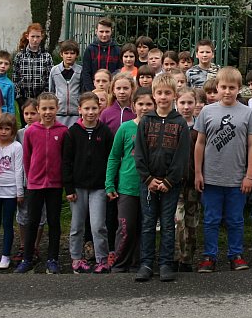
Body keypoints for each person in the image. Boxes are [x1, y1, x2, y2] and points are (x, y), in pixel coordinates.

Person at [194, 67, 252, 272]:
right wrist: (198, 172)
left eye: (232, 88)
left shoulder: (247, 112)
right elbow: (200, 143)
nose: (227, 91)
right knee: (211, 220)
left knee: (235, 219)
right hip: (211, 177)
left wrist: (250, 175)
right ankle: (209, 256)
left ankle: (236, 255)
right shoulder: (207, 112)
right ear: (217, 87)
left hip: (237, 178)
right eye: (223, 87)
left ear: (239, 88)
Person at [135, 74, 192, 282]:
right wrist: (148, 179)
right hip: (148, 183)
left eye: (167, 93)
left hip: (171, 184)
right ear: (153, 95)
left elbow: (182, 157)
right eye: (159, 93)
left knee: (168, 224)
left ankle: (166, 263)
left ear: (174, 95)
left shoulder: (180, 123)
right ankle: (146, 263)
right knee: (148, 223)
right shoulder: (146, 121)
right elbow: (139, 153)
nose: (163, 97)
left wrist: (169, 181)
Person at [15, 92, 67, 274]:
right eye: (44, 108)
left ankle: (53, 259)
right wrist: (31, 178)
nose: (47, 112)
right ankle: (27, 258)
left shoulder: (63, 131)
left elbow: (64, 158)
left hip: (55, 184)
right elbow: (27, 157)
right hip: (35, 184)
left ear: (57, 109)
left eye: (51, 108)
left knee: (54, 222)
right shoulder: (31, 131)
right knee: (32, 221)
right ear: (38, 109)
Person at [63, 92, 114, 274]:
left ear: (99, 109)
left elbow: (111, 159)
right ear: (80, 110)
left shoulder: (105, 132)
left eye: (94, 108)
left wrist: (110, 184)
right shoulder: (72, 133)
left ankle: (102, 259)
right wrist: (69, 187)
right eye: (86, 108)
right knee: (77, 225)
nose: (90, 112)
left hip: (99, 187)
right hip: (77, 187)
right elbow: (66, 162)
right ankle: (76, 258)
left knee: (98, 225)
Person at [105, 87, 155, 272]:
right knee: (127, 226)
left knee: (145, 227)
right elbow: (114, 156)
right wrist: (109, 183)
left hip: (150, 186)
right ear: (134, 106)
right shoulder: (125, 128)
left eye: (148, 104)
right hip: (128, 185)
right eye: (140, 104)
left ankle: (139, 262)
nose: (144, 108)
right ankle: (120, 263)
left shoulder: (158, 128)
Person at [0, 113, 23, 270]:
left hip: (10, 192)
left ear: (13, 130)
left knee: (7, 223)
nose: (3, 132)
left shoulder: (16, 147)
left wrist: (19, 192)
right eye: (0, 128)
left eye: (7, 129)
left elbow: (19, 170)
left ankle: (6, 255)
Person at [174, 90, 201, 272]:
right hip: (175, 182)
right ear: (176, 103)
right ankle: (175, 257)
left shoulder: (200, 127)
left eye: (190, 103)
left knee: (192, 222)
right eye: (182, 103)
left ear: (196, 103)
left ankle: (187, 259)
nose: (186, 107)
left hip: (193, 181)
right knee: (178, 221)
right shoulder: (173, 125)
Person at [15, 99, 45, 262]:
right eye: (26, 113)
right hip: (24, 180)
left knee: (40, 215)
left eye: (33, 113)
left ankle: (35, 246)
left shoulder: (45, 131)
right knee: (23, 214)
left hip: (41, 180)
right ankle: (23, 245)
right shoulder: (19, 133)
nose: (29, 117)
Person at [12, 23, 52, 109]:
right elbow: (15, 78)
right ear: (27, 36)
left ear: (41, 37)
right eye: (32, 36)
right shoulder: (20, 56)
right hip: (24, 98)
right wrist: (19, 97)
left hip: (41, 99)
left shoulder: (46, 56)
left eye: (38, 37)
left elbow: (49, 78)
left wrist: (44, 96)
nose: (35, 40)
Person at [80, 17, 122, 92]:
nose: (104, 34)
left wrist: (112, 90)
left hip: (112, 91)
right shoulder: (90, 49)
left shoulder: (117, 50)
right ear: (96, 31)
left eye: (107, 31)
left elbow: (119, 71)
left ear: (111, 31)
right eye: (101, 31)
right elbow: (86, 73)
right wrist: (92, 91)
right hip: (93, 91)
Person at [48, 39, 83, 128]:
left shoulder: (80, 71)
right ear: (61, 54)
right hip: (59, 112)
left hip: (76, 113)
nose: (69, 56)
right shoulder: (55, 71)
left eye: (72, 53)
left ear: (76, 55)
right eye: (66, 53)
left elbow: (82, 91)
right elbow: (51, 91)